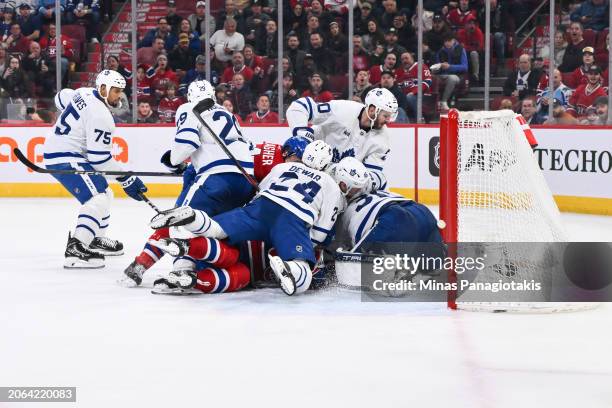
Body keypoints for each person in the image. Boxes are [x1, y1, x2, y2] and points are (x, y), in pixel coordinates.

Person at [149, 144, 360, 296]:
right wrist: (304, 247)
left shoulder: (281, 167)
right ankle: (290, 269)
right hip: (293, 218)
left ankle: (193, 217)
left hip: (260, 207)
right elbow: (321, 234)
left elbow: (259, 191)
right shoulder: (331, 186)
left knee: (215, 229)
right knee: (302, 275)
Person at [121, 80, 255, 286]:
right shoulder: (229, 115)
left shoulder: (189, 108)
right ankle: (195, 270)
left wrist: (174, 162)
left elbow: (186, 144)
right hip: (245, 184)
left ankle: (160, 270)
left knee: (179, 221)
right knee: (208, 229)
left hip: (216, 179)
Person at [42, 70, 148, 268]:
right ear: (103, 88)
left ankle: (93, 238)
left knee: (105, 193)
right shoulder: (102, 116)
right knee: (97, 197)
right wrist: (127, 178)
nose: (119, 96)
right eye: (115, 91)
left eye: (120, 91)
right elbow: (99, 159)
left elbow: (60, 97)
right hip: (65, 157)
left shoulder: (83, 92)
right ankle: (76, 248)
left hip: (62, 152)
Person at [286, 87, 399, 192]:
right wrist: (303, 139)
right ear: (372, 110)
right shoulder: (343, 110)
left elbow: (369, 175)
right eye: (386, 116)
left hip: (338, 187)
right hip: (308, 168)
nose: (388, 120)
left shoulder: (384, 138)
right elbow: (299, 106)